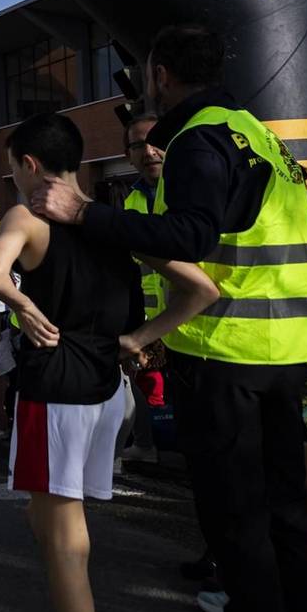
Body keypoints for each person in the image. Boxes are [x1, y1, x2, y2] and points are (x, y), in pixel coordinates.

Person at [29, 25, 307, 612]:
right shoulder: (255, 131)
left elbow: (190, 235)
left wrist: (86, 213)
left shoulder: (200, 139)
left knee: (240, 528)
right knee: (288, 524)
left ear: (159, 74)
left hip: (232, 359)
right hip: (291, 353)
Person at [0, 111, 219, 612]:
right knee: (51, 520)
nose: (12, 178)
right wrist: (138, 338)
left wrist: (24, 304)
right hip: (106, 391)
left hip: (54, 393)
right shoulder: (114, 223)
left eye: (13, 167)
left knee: (64, 540)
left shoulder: (28, 215)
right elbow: (202, 292)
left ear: (30, 165)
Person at [119, 113, 167, 464]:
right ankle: (147, 445)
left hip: (197, 319)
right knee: (140, 387)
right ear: (128, 155)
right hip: (147, 320)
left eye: (156, 141)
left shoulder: (191, 188)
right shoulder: (131, 200)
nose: (149, 151)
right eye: (138, 145)